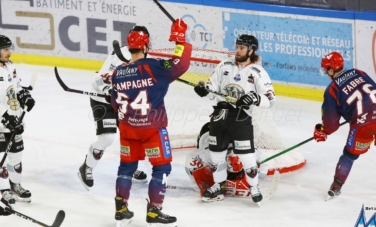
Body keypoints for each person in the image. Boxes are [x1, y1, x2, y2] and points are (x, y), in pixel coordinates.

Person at [110, 19, 190, 227]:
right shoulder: (154, 67)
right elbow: (179, 64)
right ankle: (154, 210)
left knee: (126, 168)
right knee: (161, 168)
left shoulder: (118, 72)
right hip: (151, 129)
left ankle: (121, 208)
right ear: (145, 46)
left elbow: (113, 102)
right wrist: (180, 40)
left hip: (127, 129)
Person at [193, 34, 275, 204]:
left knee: (247, 156)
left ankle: (254, 187)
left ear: (251, 51)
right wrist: (205, 91)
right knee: (216, 155)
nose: (237, 51)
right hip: (220, 115)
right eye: (237, 47)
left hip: (241, 117)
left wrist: (254, 98)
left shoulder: (257, 72)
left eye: (242, 48)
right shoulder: (224, 66)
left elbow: (270, 99)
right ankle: (218, 185)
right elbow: (212, 88)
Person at [313, 51, 376, 198]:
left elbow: (331, 124)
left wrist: (323, 131)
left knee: (350, 155)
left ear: (331, 70)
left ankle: (336, 186)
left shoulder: (331, 90)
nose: (326, 73)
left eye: (326, 70)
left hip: (365, 126)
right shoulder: (359, 72)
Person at [77, 45, 147, 192]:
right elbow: (99, 79)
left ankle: (130, 167)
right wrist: (108, 90)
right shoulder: (122, 54)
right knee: (107, 138)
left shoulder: (147, 57)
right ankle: (86, 167)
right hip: (103, 100)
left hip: (124, 100)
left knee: (132, 134)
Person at [0, 35, 35, 203]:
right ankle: (4, 191)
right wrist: (7, 117)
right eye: (6, 49)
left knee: (17, 155)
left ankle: (15, 185)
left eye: (10, 49)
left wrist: (25, 96)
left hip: (13, 119)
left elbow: (16, 87)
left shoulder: (10, 67)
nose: (10, 53)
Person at [185, 122, 270, 198]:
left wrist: (255, 182)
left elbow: (265, 162)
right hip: (211, 135)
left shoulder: (248, 151)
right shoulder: (209, 154)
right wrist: (200, 186)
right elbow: (190, 160)